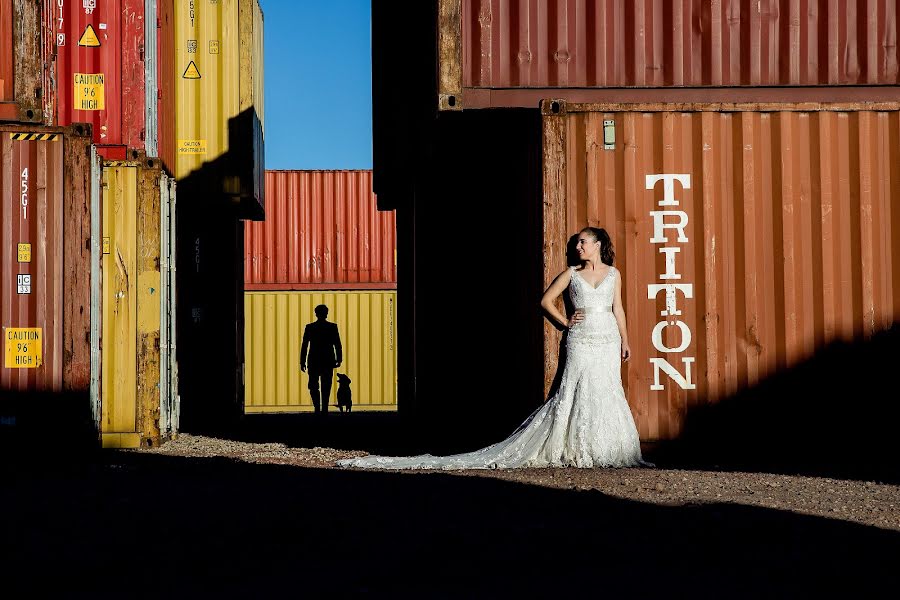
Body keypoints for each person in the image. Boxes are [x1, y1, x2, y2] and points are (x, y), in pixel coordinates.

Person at [338, 227, 651, 469]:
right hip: (581, 339)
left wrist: (625, 339)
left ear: (598, 245)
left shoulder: (613, 274)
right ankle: (573, 446)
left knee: (606, 389)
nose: (578, 246)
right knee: (572, 392)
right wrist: (565, 323)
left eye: (584, 242)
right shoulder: (571, 274)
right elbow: (544, 301)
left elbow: (618, 309)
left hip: (607, 337)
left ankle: (607, 448)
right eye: (577, 243)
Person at [300, 305, 343, 414]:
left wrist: (302, 361)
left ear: (316, 313)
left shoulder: (310, 327)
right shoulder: (332, 327)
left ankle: (317, 408)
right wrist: (339, 358)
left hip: (314, 360)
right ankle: (324, 408)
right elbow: (337, 344)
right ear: (326, 313)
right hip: (327, 360)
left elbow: (305, 345)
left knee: (313, 385)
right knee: (326, 385)